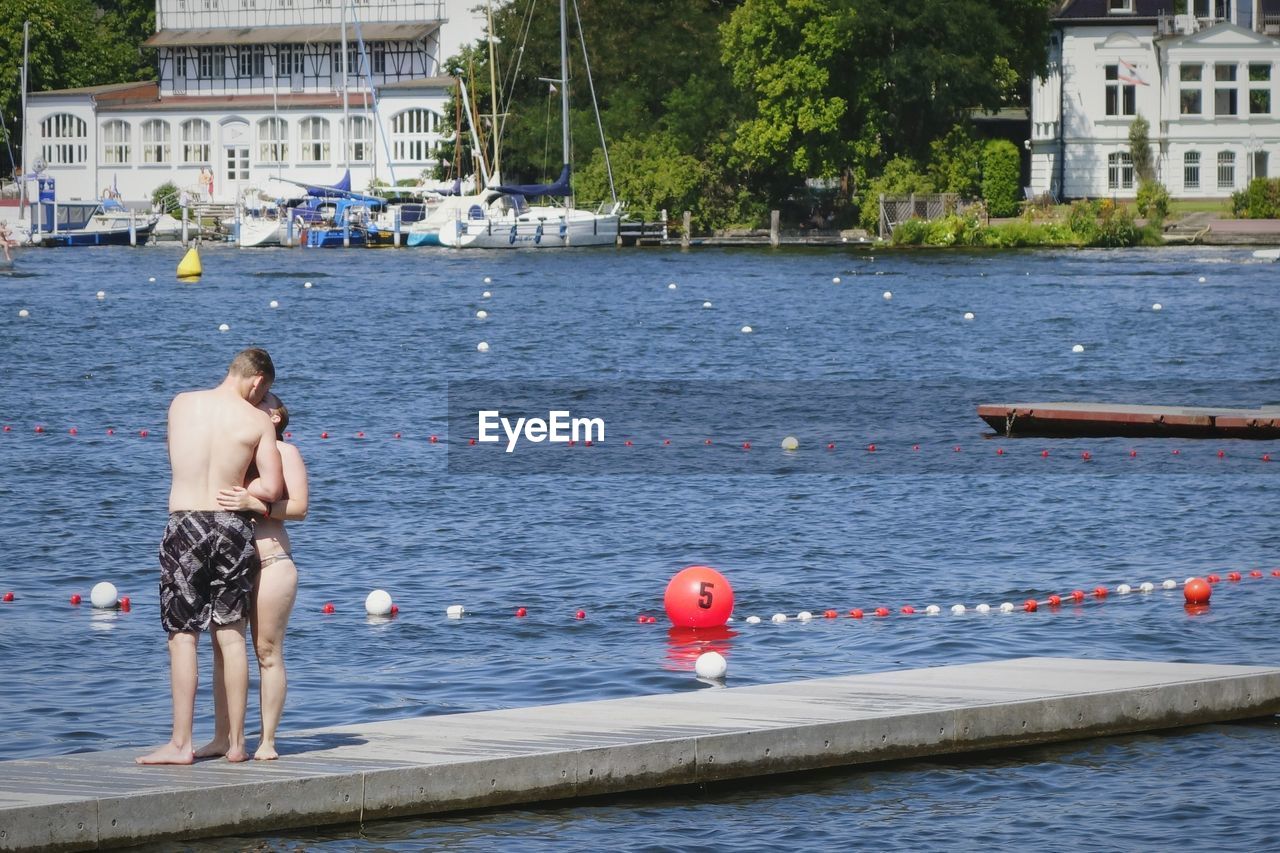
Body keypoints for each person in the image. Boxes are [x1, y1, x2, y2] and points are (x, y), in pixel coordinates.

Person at [136, 349, 284, 766]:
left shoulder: (181, 403)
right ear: (257, 383)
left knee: (183, 635)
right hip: (232, 525)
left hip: (185, 523)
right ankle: (236, 744)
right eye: (264, 392)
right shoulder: (257, 420)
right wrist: (247, 493)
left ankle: (181, 743)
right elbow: (270, 489)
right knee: (232, 633)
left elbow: (174, 459)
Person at [199, 391, 307, 761]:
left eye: (259, 404)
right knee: (222, 651)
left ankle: (267, 740)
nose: (249, 409)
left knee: (266, 651)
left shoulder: (285, 452)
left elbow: (300, 508)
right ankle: (223, 737)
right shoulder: (236, 452)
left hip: (271, 562)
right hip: (227, 563)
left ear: (275, 416)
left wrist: (256, 504)